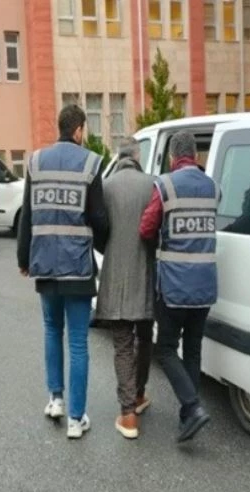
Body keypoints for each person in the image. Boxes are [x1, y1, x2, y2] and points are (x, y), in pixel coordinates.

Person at [17, 104, 109, 440]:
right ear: (79, 129)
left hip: (45, 264)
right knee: (79, 343)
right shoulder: (90, 163)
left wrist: (24, 258)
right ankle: (75, 418)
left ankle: (55, 399)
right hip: (78, 267)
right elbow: (99, 218)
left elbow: (28, 215)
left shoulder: (36, 161)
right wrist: (103, 246)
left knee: (52, 330)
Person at [138, 130, 219, 443]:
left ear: (172, 157)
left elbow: (146, 228)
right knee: (193, 349)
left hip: (173, 286)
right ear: (195, 156)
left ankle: (193, 407)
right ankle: (188, 415)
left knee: (166, 349)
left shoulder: (165, 186)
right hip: (205, 285)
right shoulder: (213, 187)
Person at [94, 138, 156, 440]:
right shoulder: (153, 184)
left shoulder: (105, 187)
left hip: (116, 275)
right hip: (145, 273)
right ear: (137, 156)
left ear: (118, 157)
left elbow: (98, 229)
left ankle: (128, 413)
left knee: (122, 344)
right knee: (144, 338)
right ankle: (139, 393)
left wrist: (110, 249)